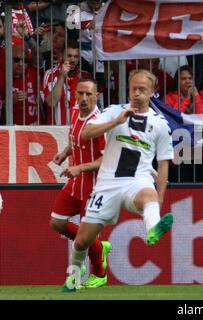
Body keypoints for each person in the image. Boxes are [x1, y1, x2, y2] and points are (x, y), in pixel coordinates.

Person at [62, 69, 174, 291]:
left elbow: (163, 164)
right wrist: (116, 122)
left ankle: (153, 228)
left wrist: (159, 201)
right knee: (82, 241)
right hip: (108, 184)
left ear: (152, 92)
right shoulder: (115, 111)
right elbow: (86, 133)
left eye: (142, 89)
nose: (137, 93)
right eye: (134, 88)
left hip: (137, 180)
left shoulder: (160, 124)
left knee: (149, 195)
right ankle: (73, 277)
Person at [50, 78, 111, 289]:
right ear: (75, 94)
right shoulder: (76, 110)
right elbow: (74, 138)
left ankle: (99, 272)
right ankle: (98, 246)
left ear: (96, 96)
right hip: (77, 182)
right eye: (80, 93)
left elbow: (108, 159)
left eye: (88, 94)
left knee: (83, 239)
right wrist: (66, 152)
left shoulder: (99, 124)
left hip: (95, 185)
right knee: (56, 223)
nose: (83, 98)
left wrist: (80, 167)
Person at [42, 39, 91, 125]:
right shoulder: (50, 74)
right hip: (57, 131)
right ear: (62, 56)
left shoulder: (85, 76)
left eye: (76, 56)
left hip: (78, 129)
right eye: (69, 56)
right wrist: (62, 76)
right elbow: (50, 102)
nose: (72, 60)